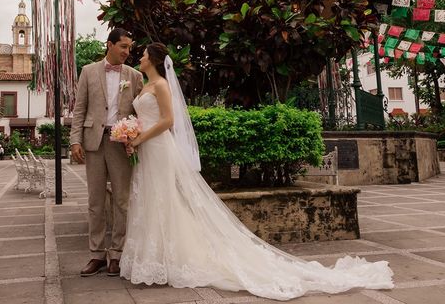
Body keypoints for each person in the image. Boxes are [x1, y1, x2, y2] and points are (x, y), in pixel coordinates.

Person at [120, 43, 394, 301]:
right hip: (146, 151)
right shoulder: (146, 85)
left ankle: (169, 259)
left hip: (158, 149)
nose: (139, 57)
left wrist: (139, 138)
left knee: (164, 201)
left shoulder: (162, 85)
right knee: (149, 200)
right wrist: (132, 134)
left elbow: (169, 121)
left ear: (154, 60)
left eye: (143, 54)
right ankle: (154, 260)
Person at [69, 28, 144, 278]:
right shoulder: (88, 71)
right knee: (95, 201)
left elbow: (141, 112)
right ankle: (97, 255)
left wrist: (135, 136)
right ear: (109, 45)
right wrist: (74, 141)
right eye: (123, 46)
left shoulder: (134, 76)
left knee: (122, 201)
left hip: (121, 143)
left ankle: (117, 254)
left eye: (130, 48)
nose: (127, 52)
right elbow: (79, 109)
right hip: (93, 143)